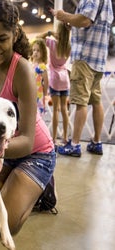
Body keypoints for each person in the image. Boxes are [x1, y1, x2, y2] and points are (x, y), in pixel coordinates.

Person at [0, 0, 56, 235]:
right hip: (4, 149)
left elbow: (25, 139)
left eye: (2, 39)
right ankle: (14, 182)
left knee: (1, 223)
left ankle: (41, 189)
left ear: (14, 34)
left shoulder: (23, 70)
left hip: (35, 153)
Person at [51, 0, 114, 157]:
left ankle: (74, 145)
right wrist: (71, 22)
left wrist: (64, 15)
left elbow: (85, 20)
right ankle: (96, 142)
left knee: (80, 102)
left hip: (85, 55)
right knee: (96, 100)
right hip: (98, 58)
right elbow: (90, 23)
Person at [37, 22, 71, 147]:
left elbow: (38, 38)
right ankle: (66, 137)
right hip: (65, 79)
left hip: (55, 79)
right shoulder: (69, 46)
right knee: (64, 109)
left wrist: (50, 33)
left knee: (56, 110)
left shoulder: (52, 43)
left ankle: (55, 138)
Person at [30, 38, 49, 114]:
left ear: (43, 52)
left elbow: (46, 82)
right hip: (30, 92)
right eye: (34, 50)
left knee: (38, 114)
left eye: (38, 50)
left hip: (39, 94)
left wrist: (45, 93)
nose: (35, 52)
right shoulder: (30, 65)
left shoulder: (42, 66)